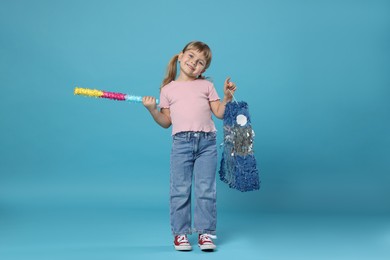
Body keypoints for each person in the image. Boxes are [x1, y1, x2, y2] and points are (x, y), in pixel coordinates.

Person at [142, 41, 236, 251]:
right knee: (180, 189)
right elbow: (166, 122)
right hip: (181, 144)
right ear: (180, 56)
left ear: (204, 69)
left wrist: (227, 98)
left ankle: (205, 233)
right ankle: (181, 234)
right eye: (191, 56)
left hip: (207, 144)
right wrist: (152, 110)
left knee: (206, 189)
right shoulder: (167, 89)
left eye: (200, 62)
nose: (194, 63)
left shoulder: (207, 86)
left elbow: (220, 114)